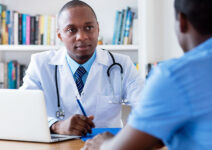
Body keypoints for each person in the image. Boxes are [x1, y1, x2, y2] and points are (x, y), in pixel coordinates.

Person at [81, 0, 212, 149]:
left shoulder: (176, 75)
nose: (81, 37)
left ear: (182, 22)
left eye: (88, 27)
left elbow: (120, 148)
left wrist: (103, 143)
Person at [20, 0, 143, 136]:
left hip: (107, 145)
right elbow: (24, 110)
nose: (82, 36)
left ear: (98, 28)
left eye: (88, 28)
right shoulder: (40, 64)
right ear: (60, 35)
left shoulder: (121, 64)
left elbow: (146, 105)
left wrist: (129, 131)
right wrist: (56, 125)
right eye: (71, 30)